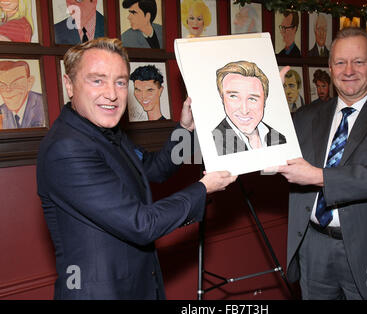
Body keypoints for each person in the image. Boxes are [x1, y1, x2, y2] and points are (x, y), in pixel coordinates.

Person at [36, 37, 236, 299]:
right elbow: (141, 225)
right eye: (97, 80)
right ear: (69, 84)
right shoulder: (67, 148)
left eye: (120, 82)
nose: (111, 93)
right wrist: (203, 188)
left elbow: (155, 169)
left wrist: (185, 128)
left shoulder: (106, 132)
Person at [278, 27, 367, 300]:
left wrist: (320, 176)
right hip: (314, 247)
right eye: (340, 62)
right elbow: (267, 151)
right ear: (330, 68)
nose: (349, 70)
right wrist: (268, 103)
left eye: (358, 61)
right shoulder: (306, 116)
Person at [212, 60, 286, 156]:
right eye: (234, 96)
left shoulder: (281, 139)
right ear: (222, 98)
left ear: (265, 100)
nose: (244, 110)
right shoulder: (210, 142)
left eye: (252, 99)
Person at [0, 60, 45, 129]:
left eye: (15, 84)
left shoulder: (44, 104)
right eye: (2, 85)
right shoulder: (2, 111)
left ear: (29, 83)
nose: (8, 90)